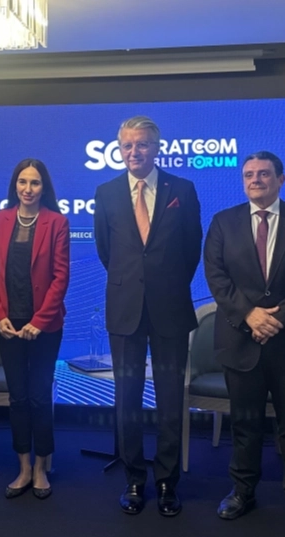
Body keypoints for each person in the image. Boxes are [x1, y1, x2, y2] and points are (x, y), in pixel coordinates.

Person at [203, 151, 285, 532]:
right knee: (245, 425)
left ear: (280, 179)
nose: (255, 180)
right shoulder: (223, 222)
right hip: (241, 340)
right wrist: (249, 315)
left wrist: (277, 318)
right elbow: (216, 276)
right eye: (248, 175)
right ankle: (242, 491)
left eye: (263, 174)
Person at [93, 116, 202, 516]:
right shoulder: (106, 192)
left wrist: (165, 283)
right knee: (127, 399)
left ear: (156, 148)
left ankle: (168, 482)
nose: (134, 152)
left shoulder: (182, 189)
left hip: (170, 308)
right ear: (119, 149)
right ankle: (135, 479)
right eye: (127, 146)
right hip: (125, 311)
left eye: (142, 145)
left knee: (171, 399)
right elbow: (107, 251)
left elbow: (191, 248)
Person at [0, 159, 70, 500]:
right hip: (8, 324)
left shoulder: (57, 222)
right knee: (18, 397)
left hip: (45, 325)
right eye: (23, 182)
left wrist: (40, 321)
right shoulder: (0, 220)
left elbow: (60, 277)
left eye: (35, 183)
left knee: (39, 395)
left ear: (43, 187)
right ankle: (22, 466)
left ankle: (41, 467)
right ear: (15, 185)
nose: (28, 189)